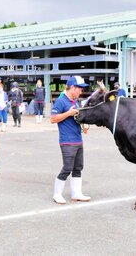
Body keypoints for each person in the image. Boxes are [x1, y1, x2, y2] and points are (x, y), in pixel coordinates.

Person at [50, 76, 91, 204]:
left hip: (78, 139)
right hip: (67, 141)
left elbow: (77, 118)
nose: (81, 92)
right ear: (72, 88)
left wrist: (84, 126)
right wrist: (68, 113)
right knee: (67, 168)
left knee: (78, 167)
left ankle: (76, 193)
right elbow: (53, 119)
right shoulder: (61, 101)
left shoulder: (76, 102)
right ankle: (57, 194)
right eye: (79, 89)